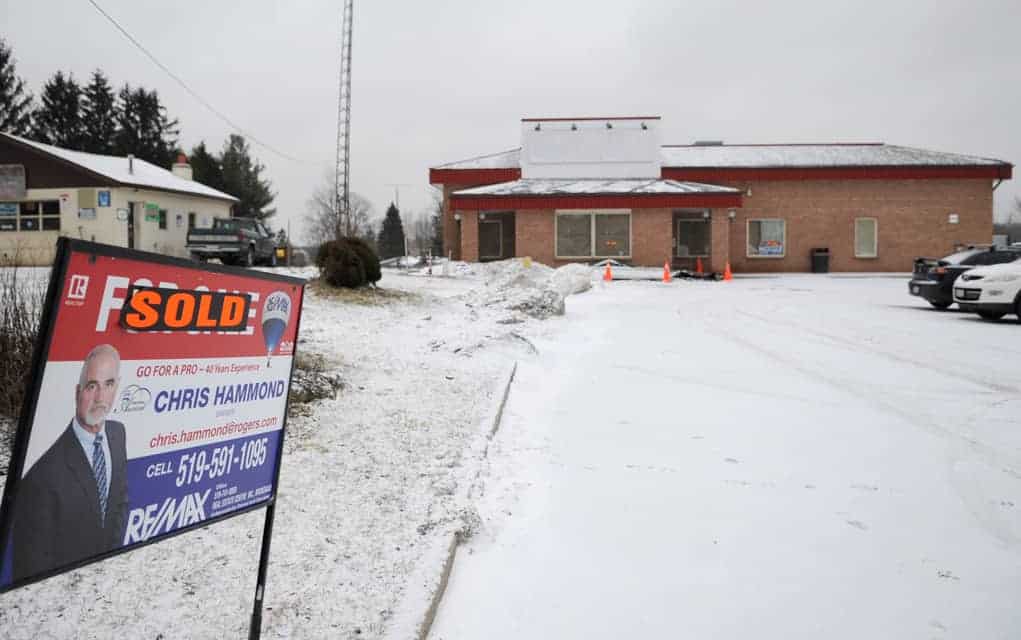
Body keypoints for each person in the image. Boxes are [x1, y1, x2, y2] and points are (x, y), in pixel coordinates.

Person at [11, 344, 129, 583]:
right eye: (92, 386)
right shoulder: (41, 477)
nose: (100, 398)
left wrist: (110, 561)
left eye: (108, 384)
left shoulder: (117, 434)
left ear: (117, 386)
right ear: (78, 392)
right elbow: (30, 569)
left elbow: (119, 503)